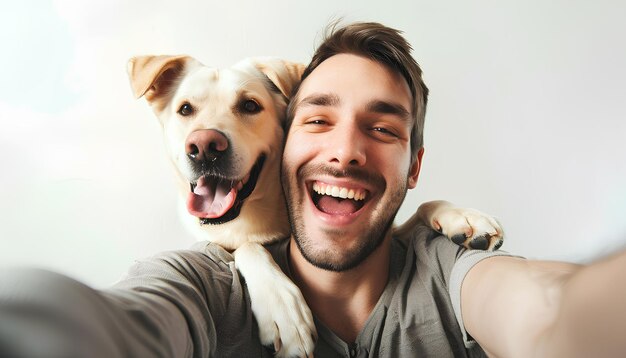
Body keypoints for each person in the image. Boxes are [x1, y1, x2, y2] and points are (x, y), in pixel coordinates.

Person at [1, 21, 625, 358]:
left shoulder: (449, 271)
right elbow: (126, 323)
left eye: (382, 128)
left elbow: (547, 308)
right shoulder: (206, 290)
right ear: (293, 143)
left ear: (415, 167)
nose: (346, 150)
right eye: (319, 119)